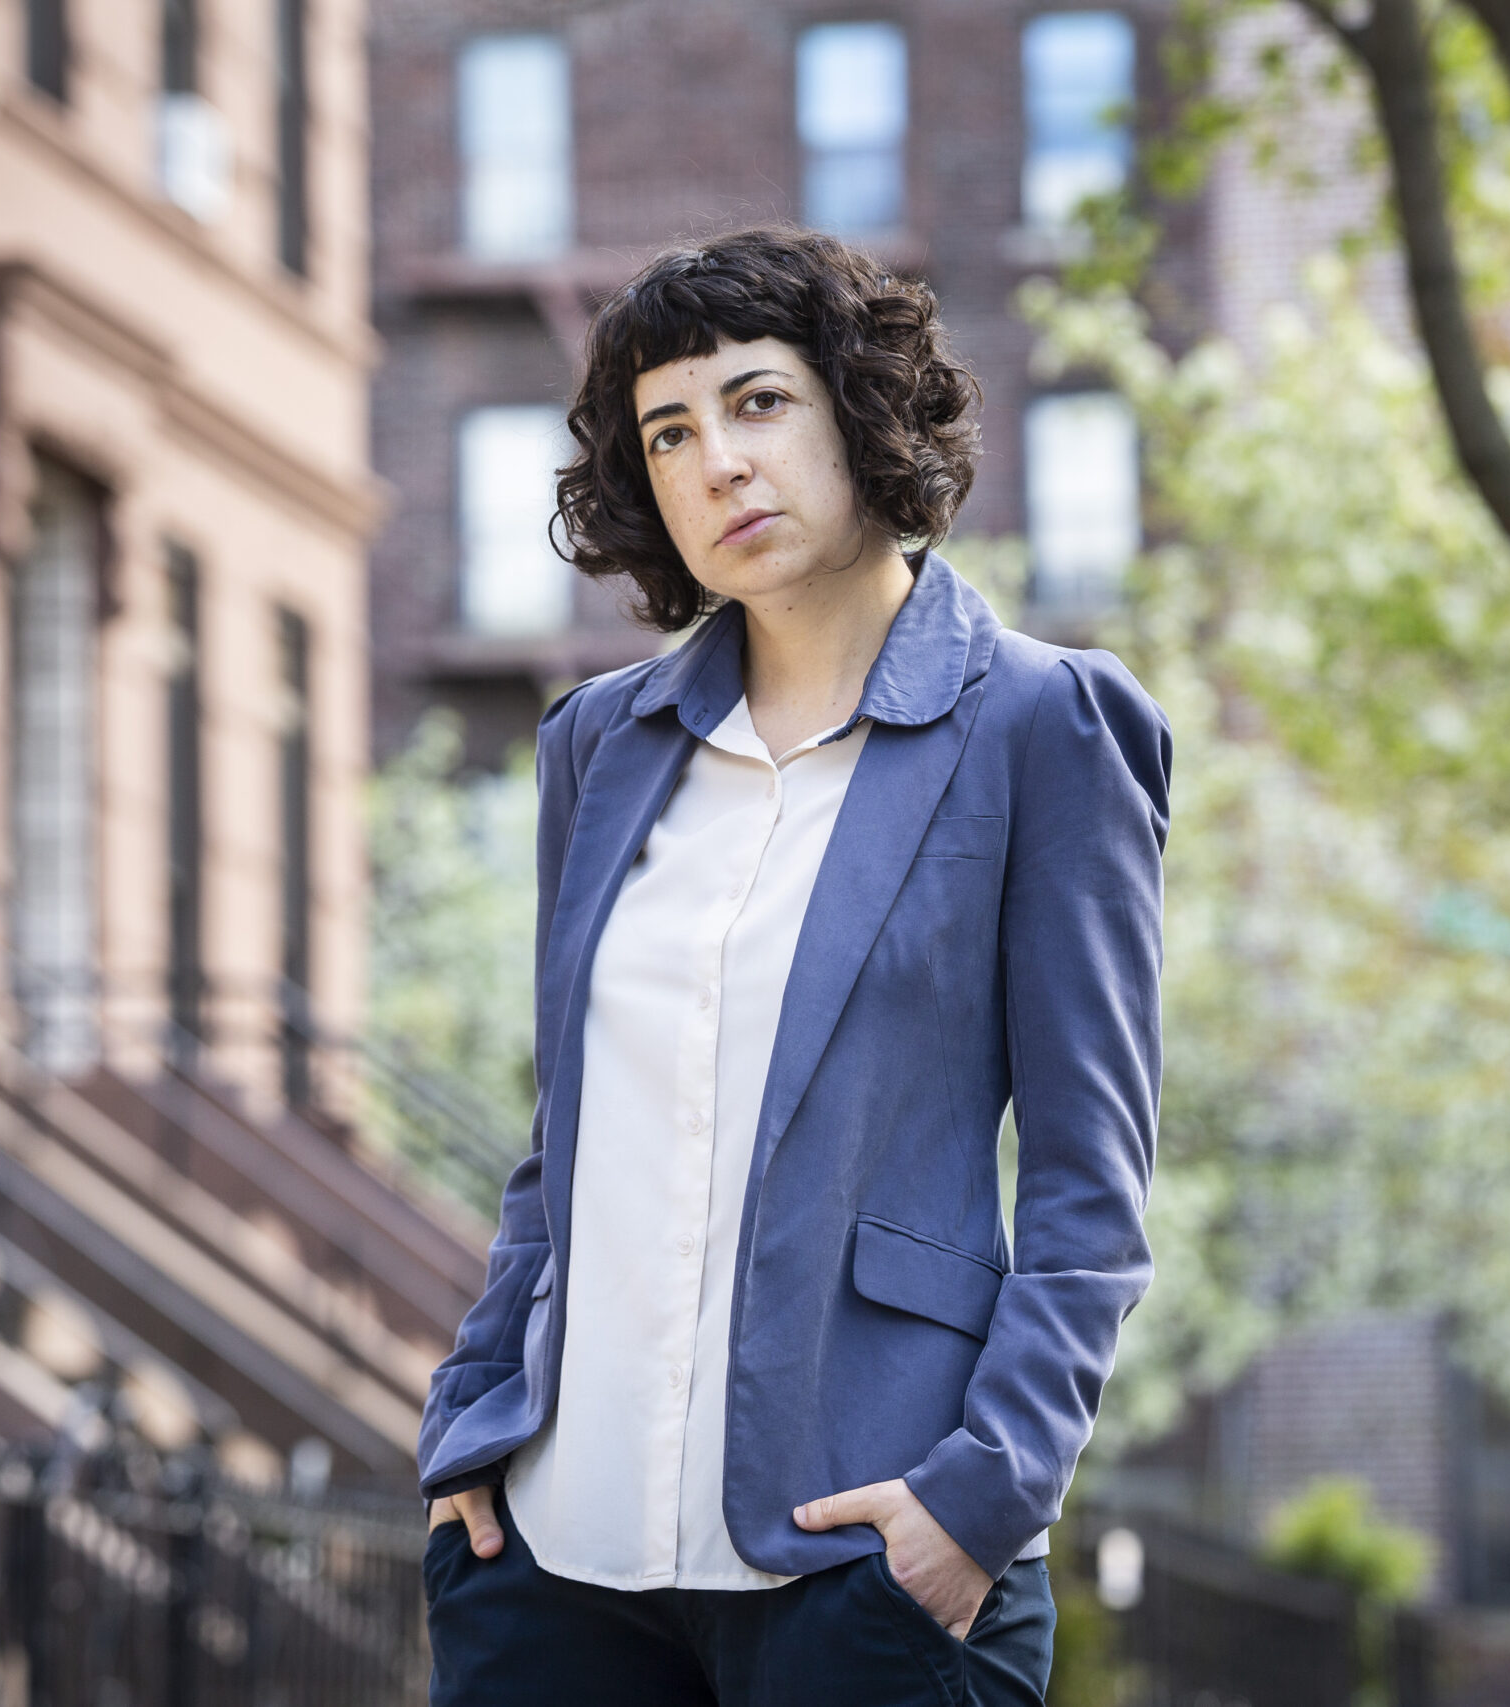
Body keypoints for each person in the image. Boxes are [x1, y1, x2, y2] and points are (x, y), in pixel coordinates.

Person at [416, 226, 1171, 1707]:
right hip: (558, 1568)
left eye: (759, 403)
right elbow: (564, 1137)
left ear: (860, 410)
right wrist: (470, 1417)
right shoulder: (600, 746)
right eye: (671, 434)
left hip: (864, 1561)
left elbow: (1093, 1188)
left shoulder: (1042, 728)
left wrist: (981, 1499)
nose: (718, 466)